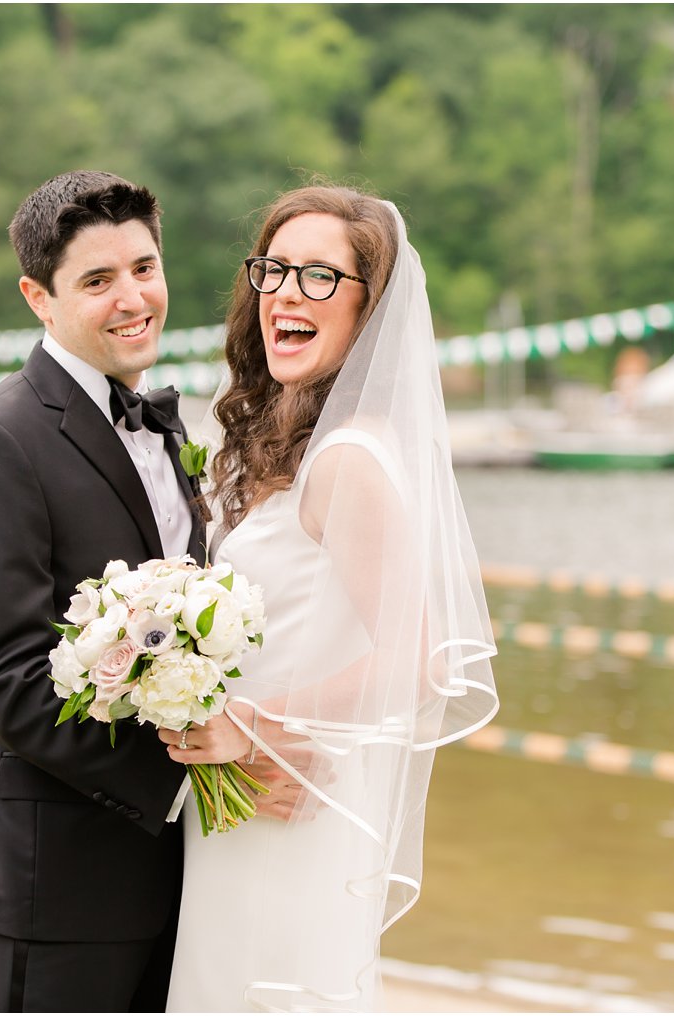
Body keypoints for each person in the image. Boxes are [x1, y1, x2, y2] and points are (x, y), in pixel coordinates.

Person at [155, 185, 500, 1010]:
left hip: (290, 804)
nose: (285, 294)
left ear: (367, 311)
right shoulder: (293, 451)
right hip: (250, 797)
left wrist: (248, 723)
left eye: (319, 278)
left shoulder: (348, 459)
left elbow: (416, 661)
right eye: (273, 270)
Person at [0, 170, 208, 1012]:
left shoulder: (166, 425)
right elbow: (0, 678)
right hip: (54, 889)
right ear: (37, 298)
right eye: (98, 280)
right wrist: (184, 777)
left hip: (180, 881)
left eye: (145, 268)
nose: (134, 298)